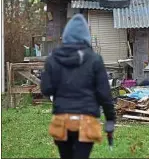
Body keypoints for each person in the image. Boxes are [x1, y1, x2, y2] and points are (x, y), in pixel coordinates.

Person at [41, 14, 115, 159]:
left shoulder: (52, 59)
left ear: (66, 36)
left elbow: (46, 89)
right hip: (87, 119)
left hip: (61, 119)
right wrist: (110, 119)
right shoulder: (95, 60)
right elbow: (104, 94)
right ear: (86, 37)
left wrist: (47, 73)